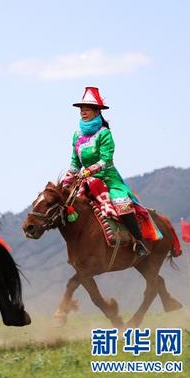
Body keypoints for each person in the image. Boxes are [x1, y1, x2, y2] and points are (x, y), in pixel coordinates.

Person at [63, 87, 150, 256]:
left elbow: (106, 160)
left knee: (121, 203)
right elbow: (75, 163)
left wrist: (89, 171)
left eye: (86, 109)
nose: (83, 112)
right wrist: (66, 182)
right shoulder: (76, 135)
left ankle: (138, 241)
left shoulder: (104, 133)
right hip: (84, 180)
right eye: (81, 109)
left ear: (96, 112)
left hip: (108, 178)